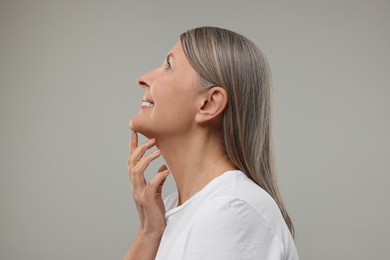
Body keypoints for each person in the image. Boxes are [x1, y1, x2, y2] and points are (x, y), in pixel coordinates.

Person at [125, 26, 299, 260]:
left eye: (169, 65)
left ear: (209, 103)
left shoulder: (230, 209)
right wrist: (149, 232)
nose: (143, 78)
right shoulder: (180, 208)